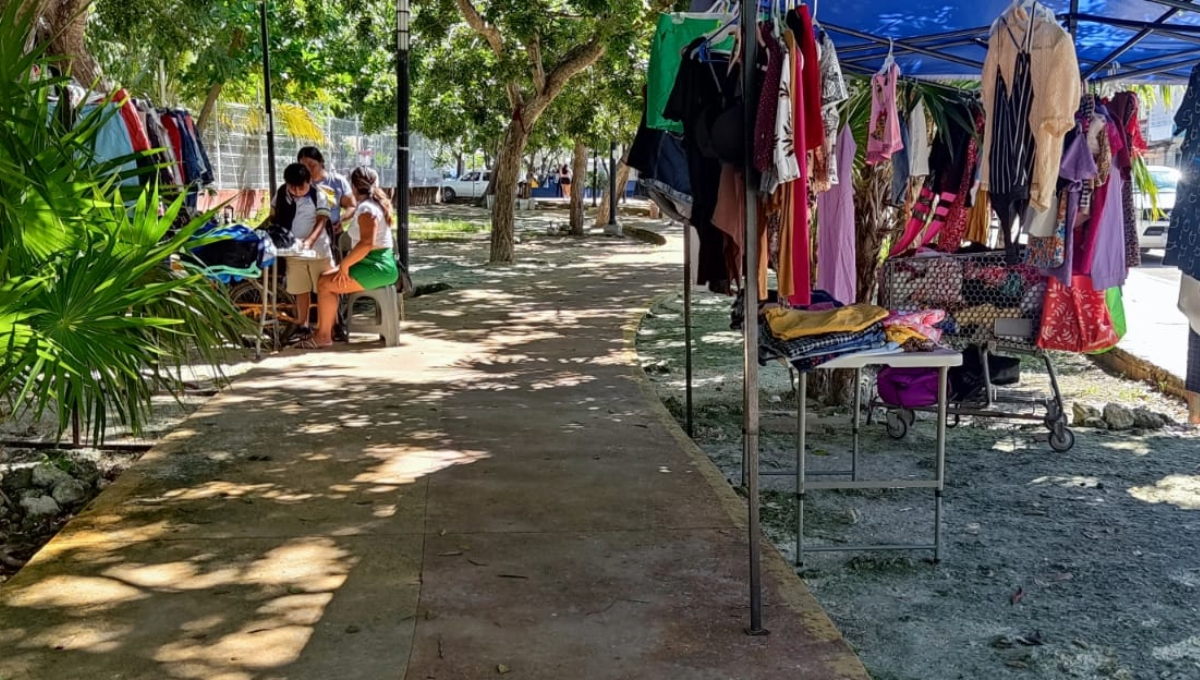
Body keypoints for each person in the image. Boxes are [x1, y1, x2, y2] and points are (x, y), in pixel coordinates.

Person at [308, 166, 399, 348]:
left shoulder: (367, 209)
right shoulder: (372, 205)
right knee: (324, 279)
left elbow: (366, 244)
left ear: (354, 186)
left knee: (325, 285)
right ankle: (327, 330)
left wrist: (344, 266)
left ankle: (324, 335)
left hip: (376, 266)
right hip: (373, 263)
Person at [272, 163, 333, 335]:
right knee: (300, 290)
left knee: (324, 290)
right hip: (294, 253)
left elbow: (322, 221)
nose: (297, 191)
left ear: (309, 181)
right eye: (293, 187)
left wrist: (309, 241)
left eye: (301, 187)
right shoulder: (282, 193)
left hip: (318, 253)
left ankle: (327, 328)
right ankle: (303, 325)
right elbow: (273, 216)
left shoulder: (319, 195)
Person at [297, 146, 356, 252]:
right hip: (305, 236)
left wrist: (340, 220)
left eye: (312, 165)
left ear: (321, 161)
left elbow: (351, 206)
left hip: (332, 234)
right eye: (304, 168)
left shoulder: (337, 181)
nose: (308, 170)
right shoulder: (298, 185)